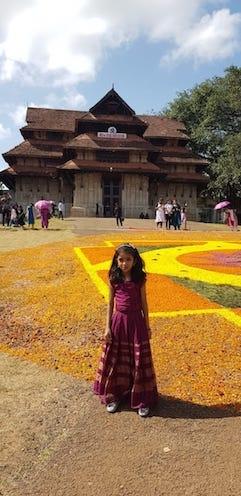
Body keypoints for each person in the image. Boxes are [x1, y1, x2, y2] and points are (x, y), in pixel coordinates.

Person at [93, 243, 158, 417]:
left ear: (135, 261)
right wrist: (107, 327)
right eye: (121, 260)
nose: (124, 263)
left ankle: (142, 398)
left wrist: (147, 325)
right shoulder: (114, 278)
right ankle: (114, 395)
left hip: (136, 323)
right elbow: (110, 304)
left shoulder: (139, 279)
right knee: (116, 359)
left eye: (128, 260)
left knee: (138, 361)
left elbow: (144, 303)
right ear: (116, 261)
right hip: (118, 323)